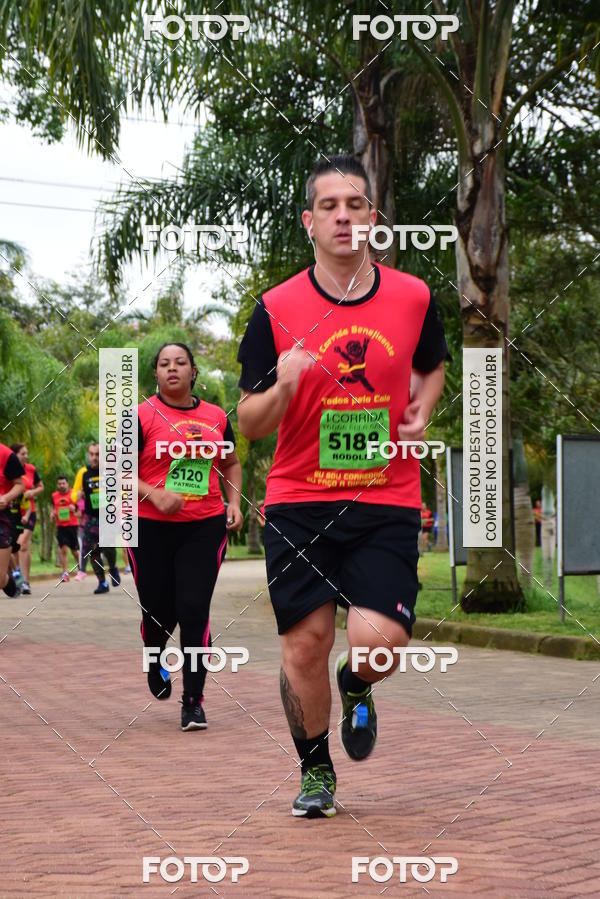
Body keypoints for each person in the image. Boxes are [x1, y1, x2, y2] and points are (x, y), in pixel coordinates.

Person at [237, 155, 448, 817]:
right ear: (309, 221)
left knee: (380, 641)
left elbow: (432, 365)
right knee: (305, 642)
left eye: (356, 204)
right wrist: (284, 385)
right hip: (299, 501)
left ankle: (356, 684)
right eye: (329, 206)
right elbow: (249, 422)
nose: (343, 216)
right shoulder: (275, 309)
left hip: (385, 497)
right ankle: (316, 771)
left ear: (373, 218)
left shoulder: (412, 297)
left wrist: (422, 408)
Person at [130, 342, 243, 730]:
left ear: (193, 372)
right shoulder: (140, 415)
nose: (172, 368)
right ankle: (154, 653)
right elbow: (118, 472)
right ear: (156, 374)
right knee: (159, 612)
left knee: (193, 608)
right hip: (149, 527)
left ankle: (193, 701)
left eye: (180, 363)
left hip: (204, 525)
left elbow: (230, 462)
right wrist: (155, 494)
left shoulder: (216, 416)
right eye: (164, 364)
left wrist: (234, 502)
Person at [71, 443, 118, 594]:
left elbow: (120, 491)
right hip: (91, 518)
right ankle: (102, 582)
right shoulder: (83, 473)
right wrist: (77, 495)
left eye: (97, 454)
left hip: (107, 516)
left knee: (109, 547)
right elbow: (73, 494)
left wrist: (116, 503)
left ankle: (113, 568)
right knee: (93, 551)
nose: (94, 458)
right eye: (91, 454)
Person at [9, 443, 44, 595]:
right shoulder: (7, 470)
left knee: (22, 544)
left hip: (29, 512)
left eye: (26, 453)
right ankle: (19, 579)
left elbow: (41, 486)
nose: (26, 456)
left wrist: (32, 493)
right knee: (14, 547)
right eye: (23, 454)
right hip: (12, 514)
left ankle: (26, 583)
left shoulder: (31, 469)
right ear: (14, 455)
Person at [0, 442, 25, 598]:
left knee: (0, 579)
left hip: (3, 517)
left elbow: (20, 485)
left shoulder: (6, 455)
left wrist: (5, 497)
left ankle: (11, 582)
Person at [51, 475, 80, 581]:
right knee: (63, 550)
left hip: (72, 525)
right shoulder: (54, 496)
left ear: (68, 484)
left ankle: (81, 568)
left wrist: (75, 509)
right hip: (60, 526)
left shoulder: (73, 494)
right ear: (57, 485)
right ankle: (65, 574)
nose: (62, 485)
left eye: (63, 483)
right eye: (59, 484)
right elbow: (53, 508)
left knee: (74, 551)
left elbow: (80, 509)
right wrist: (52, 513)